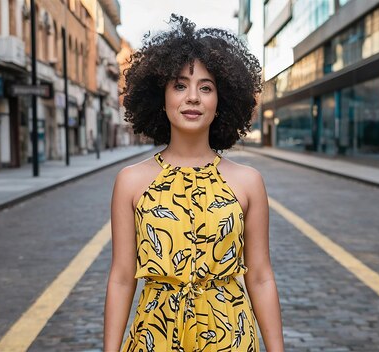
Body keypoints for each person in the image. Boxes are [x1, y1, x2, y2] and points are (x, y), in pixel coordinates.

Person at [104, 14, 284, 352]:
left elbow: (260, 276)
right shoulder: (130, 181)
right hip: (153, 337)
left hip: (230, 338)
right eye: (180, 85)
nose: (193, 98)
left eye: (206, 87)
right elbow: (121, 276)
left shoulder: (248, 182)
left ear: (221, 102)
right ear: (162, 97)